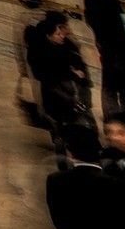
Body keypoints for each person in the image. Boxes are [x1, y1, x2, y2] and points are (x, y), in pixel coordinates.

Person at [28, 11, 96, 147]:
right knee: (64, 124)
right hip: (59, 93)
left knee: (69, 123)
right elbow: (48, 72)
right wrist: (73, 73)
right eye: (61, 29)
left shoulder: (64, 44)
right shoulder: (44, 50)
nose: (64, 33)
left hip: (65, 92)